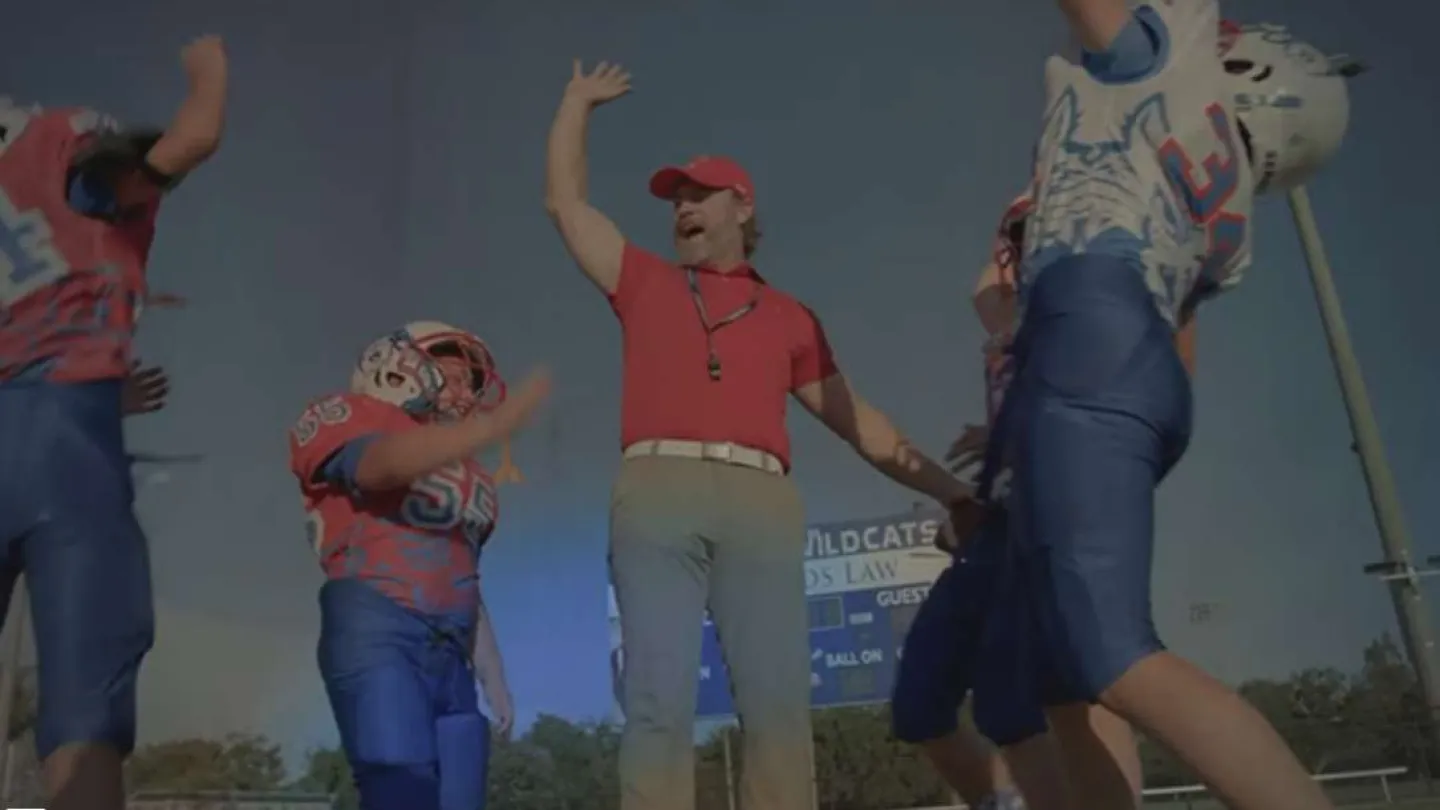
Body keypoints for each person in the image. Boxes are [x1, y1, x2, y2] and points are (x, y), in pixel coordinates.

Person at [543, 60, 980, 810]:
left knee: (778, 710)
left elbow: (862, 426)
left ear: (741, 207)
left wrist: (953, 491)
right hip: (656, 493)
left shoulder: (789, 318)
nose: (681, 207)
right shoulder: (643, 280)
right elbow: (565, 202)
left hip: (761, 500)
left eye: (696, 194)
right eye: (674, 199)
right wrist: (576, 104)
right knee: (656, 704)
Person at [977, 3, 1351, 809]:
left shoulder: (1158, 55)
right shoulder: (1226, 215)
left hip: (1086, 339)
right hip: (1124, 366)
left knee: (1110, 653)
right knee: (1063, 676)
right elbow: (1179, 349)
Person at [0, 35, 227, 810]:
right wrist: (208, 66)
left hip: (47, 415)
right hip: (69, 446)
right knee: (84, 711)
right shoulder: (55, 139)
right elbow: (191, 140)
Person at [287, 321, 549, 810]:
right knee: (400, 790)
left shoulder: (471, 474)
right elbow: (377, 465)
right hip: (379, 625)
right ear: (394, 370)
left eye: (472, 386)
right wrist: (485, 431)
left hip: (452, 651)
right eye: (451, 377)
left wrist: (493, 672)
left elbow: (464, 572)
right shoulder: (354, 416)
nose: (465, 395)